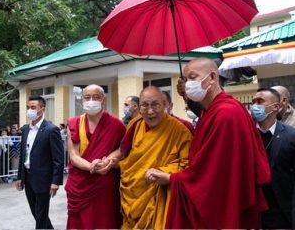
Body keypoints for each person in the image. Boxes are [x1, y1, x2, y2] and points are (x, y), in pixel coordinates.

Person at [150, 57, 271, 228]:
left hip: (224, 203)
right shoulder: (212, 110)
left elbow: (213, 172)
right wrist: (187, 97)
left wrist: (172, 179)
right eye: (185, 79)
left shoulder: (226, 114)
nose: (188, 83)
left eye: (193, 78)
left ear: (213, 78)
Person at [119, 86, 192, 229]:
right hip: (133, 191)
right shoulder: (135, 124)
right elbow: (124, 154)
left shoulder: (180, 130)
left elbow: (188, 165)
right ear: (139, 108)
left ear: (165, 105)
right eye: (145, 105)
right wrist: (109, 160)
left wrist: (163, 172)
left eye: (155, 105)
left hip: (161, 195)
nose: (150, 111)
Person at [65, 84, 126, 229]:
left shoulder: (116, 124)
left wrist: (109, 160)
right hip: (80, 183)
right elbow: (73, 155)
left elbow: (123, 149)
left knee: (104, 221)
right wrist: (91, 166)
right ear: (82, 100)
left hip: (104, 185)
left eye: (96, 97)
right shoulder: (74, 123)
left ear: (103, 99)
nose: (91, 100)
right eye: (87, 97)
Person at [16, 96, 64, 229]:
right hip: (28, 176)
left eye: (33, 108)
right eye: (28, 107)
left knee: (41, 214)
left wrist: (55, 181)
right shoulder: (25, 129)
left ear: (42, 109)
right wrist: (20, 176)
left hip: (43, 179)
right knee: (36, 213)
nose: (29, 110)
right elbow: (23, 154)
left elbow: (58, 159)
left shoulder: (51, 129)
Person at [250, 88, 295, 228]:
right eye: (253, 102)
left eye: (260, 101)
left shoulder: (290, 135)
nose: (254, 106)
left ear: (276, 106)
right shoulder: (246, 134)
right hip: (254, 212)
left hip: (282, 212)